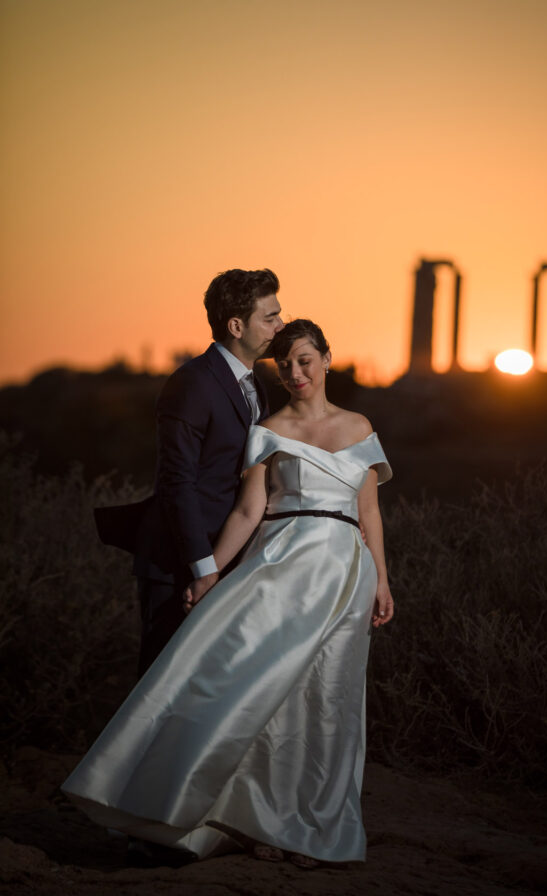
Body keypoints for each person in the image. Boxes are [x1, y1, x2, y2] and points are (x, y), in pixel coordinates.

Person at [63, 319, 394, 869]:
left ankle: (312, 823)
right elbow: (248, 511)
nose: (295, 373)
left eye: (306, 360)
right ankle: (254, 818)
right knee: (262, 692)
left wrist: (382, 578)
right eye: (284, 364)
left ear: (328, 359)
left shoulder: (360, 427)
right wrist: (208, 573)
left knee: (329, 701)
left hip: (345, 576)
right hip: (281, 568)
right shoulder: (268, 428)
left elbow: (370, 511)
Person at [94, 268, 283, 676]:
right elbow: (176, 482)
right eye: (269, 317)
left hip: (231, 559)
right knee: (162, 683)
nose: (279, 326)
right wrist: (204, 568)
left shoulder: (257, 387)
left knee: (210, 687)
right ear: (236, 325)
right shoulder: (192, 383)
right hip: (179, 563)